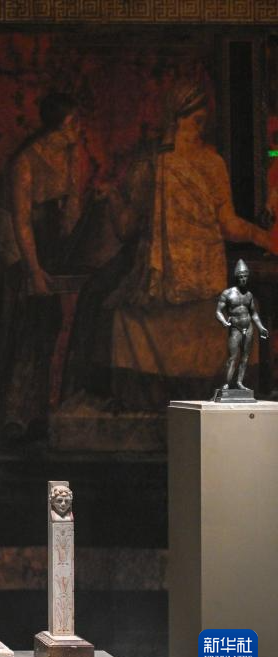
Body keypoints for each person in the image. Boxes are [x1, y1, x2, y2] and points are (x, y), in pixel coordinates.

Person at [61, 81, 277, 410]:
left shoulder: (211, 163)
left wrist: (264, 238)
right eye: (193, 122)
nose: (197, 131)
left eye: (202, 123)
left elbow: (228, 223)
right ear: (173, 119)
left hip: (203, 277)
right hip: (158, 280)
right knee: (109, 311)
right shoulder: (149, 165)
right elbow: (128, 227)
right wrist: (112, 197)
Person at [0, 92, 83, 438]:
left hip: (44, 240)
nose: (79, 129)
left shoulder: (69, 155)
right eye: (74, 122)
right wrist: (35, 271)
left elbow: (69, 210)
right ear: (60, 125)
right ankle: (12, 415)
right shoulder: (25, 161)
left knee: (47, 321)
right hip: (12, 245)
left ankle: (36, 410)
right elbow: (21, 221)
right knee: (20, 321)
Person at [216, 259, 269, 391]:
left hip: (248, 327)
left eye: (245, 276)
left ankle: (239, 382)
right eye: (241, 277)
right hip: (235, 328)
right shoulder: (228, 293)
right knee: (233, 357)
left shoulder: (249, 295)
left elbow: (254, 313)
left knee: (245, 357)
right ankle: (227, 383)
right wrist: (223, 321)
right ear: (236, 277)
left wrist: (261, 327)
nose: (243, 279)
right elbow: (218, 311)